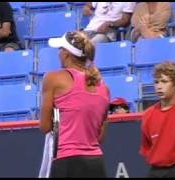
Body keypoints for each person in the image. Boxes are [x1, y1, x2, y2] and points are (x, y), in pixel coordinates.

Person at [40, 30, 110, 178]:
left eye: (60, 49)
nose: (58, 53)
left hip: (67, 163)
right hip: (96, 164)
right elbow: (100, 136)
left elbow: (45, 127)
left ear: (66, 54)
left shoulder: (53, 78)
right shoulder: (104, 88)